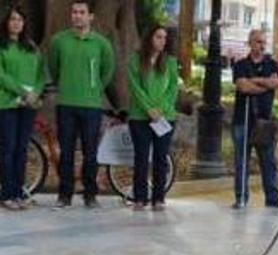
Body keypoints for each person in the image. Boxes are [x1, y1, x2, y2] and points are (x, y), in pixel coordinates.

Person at [48, 0, 115, 209]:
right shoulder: (59, 41)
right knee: (66, 151)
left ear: (90, 16)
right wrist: (66, 85)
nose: (77, 16)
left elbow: (108, 70)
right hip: (66, 104)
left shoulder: (101, 44)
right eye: (74, 12)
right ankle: (64, 195)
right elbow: (54, 68)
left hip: (91, 105)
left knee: (90, 152)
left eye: (82, 12)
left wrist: (95, 89)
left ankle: (90, 195)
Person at [126, 25, 178, 212]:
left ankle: (159, 197)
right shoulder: (135, 60)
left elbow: (173, 88)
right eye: (158, 37)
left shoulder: (170, 62)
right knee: (141, 157)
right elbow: (135, 87)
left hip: (164, 118)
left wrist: (161, 109)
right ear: (149, 38)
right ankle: (140, 197)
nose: (162, 41)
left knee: (160, 157)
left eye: (164, 37)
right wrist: (149, 109)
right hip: (140, 117)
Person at [231, 29, 278, 209]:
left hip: (264, 121)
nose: (261, 46)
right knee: (241, 161)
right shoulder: (240, 65)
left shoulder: (272, 64)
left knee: (268, 161)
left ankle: (272, 198)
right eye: (258, 42)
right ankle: (241, 197)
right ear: (250, 43)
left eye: (263, 42)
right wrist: (266, 85)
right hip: (243, 120)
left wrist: (256, 80)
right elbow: (243, 87)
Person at [0, 5, 44, 211]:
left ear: (24, 23)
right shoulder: (2, 46)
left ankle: (19, 192)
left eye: (20, 19)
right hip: (7, 104)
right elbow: (2, 76)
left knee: (22, 148)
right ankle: (7, 194)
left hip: (28, 105)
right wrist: (21, 91)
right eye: (12, 19)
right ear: (6, 23)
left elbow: (41, 75)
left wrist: (35, 92)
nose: (16, 23)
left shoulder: (32, 47)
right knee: (8, 149)